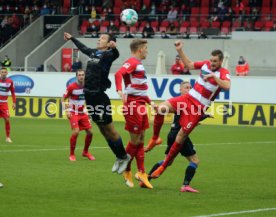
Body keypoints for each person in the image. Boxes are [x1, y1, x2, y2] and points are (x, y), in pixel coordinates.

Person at [148, 40, 231, 180]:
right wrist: (180, 50)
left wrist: (214, 77)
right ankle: (155, 138)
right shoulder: (205, 64)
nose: (212, 63)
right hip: (187, 99)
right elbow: (190, 65)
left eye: (215, 61)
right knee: (161, 109)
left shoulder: (223, 72)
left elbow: (227, 86)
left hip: (197, 108)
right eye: (211, 60)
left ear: (221, 61)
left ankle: (163, 167)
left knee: (181, 137)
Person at [64, 32, 130, 174]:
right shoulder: (94, 53)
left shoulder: (108, 55)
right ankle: (118, 157)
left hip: (99, 97)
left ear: (109, 43)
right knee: (102, 130)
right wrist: (72, 38)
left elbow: (116, 55)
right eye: (99, 37)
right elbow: (83, 48)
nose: (99, 39)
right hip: (89, 97)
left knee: (110, 130)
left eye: (103, 38)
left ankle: (124, 156)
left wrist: (114, 48)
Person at [144, 81, 212, 192]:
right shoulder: (184, 102)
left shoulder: (181, 102)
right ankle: (185, 185)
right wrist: (203, 116)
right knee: (194, 161)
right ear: (180, 90)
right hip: (179, 135)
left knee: (168, 161)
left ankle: (146, 179)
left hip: (172, 133)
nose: (189, 89)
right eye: (186, 87)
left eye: (190, 88)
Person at [114, 39, 153, 189]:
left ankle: (141, 172)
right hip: (133, 105)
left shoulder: (139, 64)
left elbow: (141, 89)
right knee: (135, 141)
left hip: (141, 104)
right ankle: (126, 168)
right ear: (139, 49)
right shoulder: (132, 62)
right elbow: (119, 74)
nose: (147, 51)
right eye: (145, 48)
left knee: (142, 139)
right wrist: (119, 90)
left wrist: (150, 102)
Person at [61, 69, 95, 161]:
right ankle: (72, 154)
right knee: (76, 131)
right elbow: (63, 98)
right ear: (77, 76)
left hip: (82, 112)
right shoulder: (71, 87)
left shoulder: (87, 87)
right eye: (79, 75)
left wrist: (89, 112)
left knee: (90, 132)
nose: (81, 76)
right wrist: (67, 110)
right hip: (73, 112)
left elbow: (88, 99)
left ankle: (85, 152)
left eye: (82, 75)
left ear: (85, 76)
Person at [0, 67, 16, 143]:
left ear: (7, 73)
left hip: (4, 103)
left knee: (7, 119)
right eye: (2, 72)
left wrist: (14, 102)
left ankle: (8, 137)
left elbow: (13, 92)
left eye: (4, 72)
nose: (3, 73)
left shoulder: (10, 81)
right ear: (0, 73)